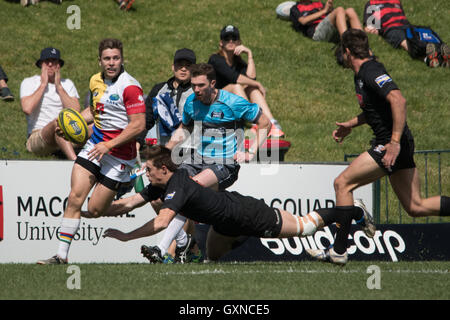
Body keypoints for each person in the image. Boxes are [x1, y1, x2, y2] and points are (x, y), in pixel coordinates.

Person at [307, 29, 450, 265]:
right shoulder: (363, 73)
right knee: (415, 206)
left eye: (340, 51)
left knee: (342, 183)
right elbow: (376, 108)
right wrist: (351, 124)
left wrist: (393, 144)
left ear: (348, 52)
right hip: (398, 142)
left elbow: (398, 100)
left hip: (391, 143)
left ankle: (339, 250)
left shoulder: (370, 70)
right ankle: (340, 248)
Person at [102, 145, 374, 262]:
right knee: (214, 259)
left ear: (163, 168)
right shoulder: (159, 184)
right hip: (224, 223)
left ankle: (354, 210)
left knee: (305, 227)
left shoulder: (179, 184)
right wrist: (94, 212)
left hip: (245, 213)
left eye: (148, 169)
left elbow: (162, 221)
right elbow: (128, 203)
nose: (145, 174)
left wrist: (126, 237)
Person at [137, 63, 272, 263]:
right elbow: (184, 127)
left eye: (201, 85)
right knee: (160, 193)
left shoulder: (233, 102)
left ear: (213, 83)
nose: (196, 90)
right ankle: (185, 241)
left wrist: (251, 151)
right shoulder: (192, 102)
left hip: (224, 164)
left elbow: (265, 123)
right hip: (197, 160)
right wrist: (166, 151)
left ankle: (161, 247)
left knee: (188, 189)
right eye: (193, 85)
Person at [37, 38, 146, 264]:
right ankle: (61, 256)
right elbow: (94, 111)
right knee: (75, 197)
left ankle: (124, 184)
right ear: (99, 61)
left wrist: (109, 145)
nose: (111, 63)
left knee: (95, 210)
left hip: (119, 157)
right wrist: (73, 123)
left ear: (122, 59)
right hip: (94, 146)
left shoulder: (130, 86)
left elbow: (138, 125)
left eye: (116, 58)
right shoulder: (95, 80)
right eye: (107, 58)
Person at [208, 25, 284, 138]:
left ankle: (272, 124)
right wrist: (257, 84)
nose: (230, 41)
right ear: (221, 43)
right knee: (236, 86)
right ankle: (256, 121)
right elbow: (234, 77)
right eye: (226, 38)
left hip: (231, 104)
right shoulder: (215, 59)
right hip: (214, 104)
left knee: (252, 88)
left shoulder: (239, 63)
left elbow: (251, 79)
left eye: (234, 38)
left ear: (239, 42)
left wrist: (249, 55)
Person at [20, 47, 81, 160]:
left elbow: (76, 111)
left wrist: (59, 87)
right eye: (46, 61)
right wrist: (43, 85)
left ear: (59, 65)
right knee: (57, 124)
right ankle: (75, 161)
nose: (50, 64)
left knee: (91, 128)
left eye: (53, 61)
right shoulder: (29, 82)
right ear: (41, 64)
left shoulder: (67, 84)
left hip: (65, 133)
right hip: (38, 135)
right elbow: (27, 108)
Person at [363, 0, 449, 68]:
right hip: (390, 28)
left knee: (423, 35)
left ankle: (441, 53)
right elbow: (370, 27)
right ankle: (428, 58)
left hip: (407, 26)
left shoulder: (396, 1)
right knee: (404, 41)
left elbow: (403, 17)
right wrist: (376, 30)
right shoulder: (372, 4)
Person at [290, 0, 364, 43]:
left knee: (350, 11)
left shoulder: (319, 3)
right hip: (316, 32)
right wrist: (324, 11)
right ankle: (346, 45)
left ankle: (363, 44)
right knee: (339, 9)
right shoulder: (295, 8)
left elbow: (334, 16)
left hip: (331, 29)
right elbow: (303, 21)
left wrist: (330, 9)